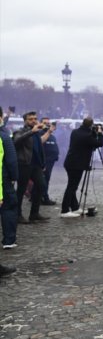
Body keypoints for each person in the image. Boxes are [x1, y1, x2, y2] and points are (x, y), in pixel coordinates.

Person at [60, 118, 103, 218]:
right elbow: (99, 144)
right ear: (90, 125)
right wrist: (100, 133)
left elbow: (87, 143)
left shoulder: (75, 132)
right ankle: (64, 210)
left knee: (73, 186)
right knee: (71, 187)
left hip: (70, 163)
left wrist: (92, 132)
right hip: (77, 165)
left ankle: (75, 207)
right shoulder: (87, 136)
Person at [12, 111, 50, 224]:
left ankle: (34, 214)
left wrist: (42, 163)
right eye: (30, 119)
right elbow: (16, 141)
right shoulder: (20, 131)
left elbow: (39, 148)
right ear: (25, 121)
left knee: (41, 185)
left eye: (35, 118)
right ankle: (17, 215)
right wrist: (31, 132)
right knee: (21, 190)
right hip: (24, 164)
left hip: (36, 165)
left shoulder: (37, 132)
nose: (34, 120)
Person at [0, 108, 18, 275]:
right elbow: (11, 161)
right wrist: (14, 177)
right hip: (3, 182)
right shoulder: (4, 137)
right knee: (10, 207)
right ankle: (9, 239)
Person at [39, 117, 59, 206]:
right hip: (44, 161)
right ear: (40, 123)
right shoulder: (40, 133)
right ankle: (44, 198)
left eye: (48, 123)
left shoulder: (52, 136)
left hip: (51, 161)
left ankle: (38, 197)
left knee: (46, 180)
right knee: (44, 180)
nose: (47, 124)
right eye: (45, 123)